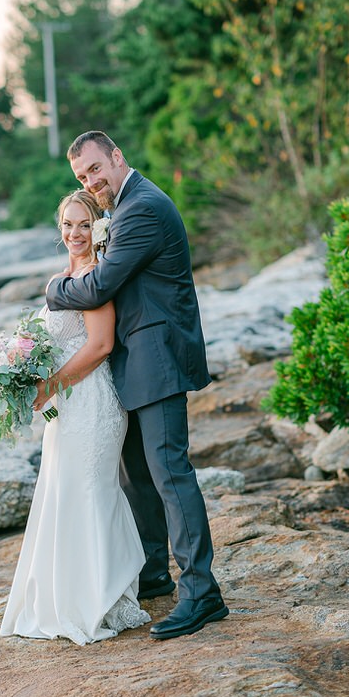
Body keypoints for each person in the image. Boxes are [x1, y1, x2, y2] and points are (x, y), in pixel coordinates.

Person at [46, 132, 229, 641]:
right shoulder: (121, 210)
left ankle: (202, 593)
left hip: (157, 358)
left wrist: (53, 289)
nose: (91, 181)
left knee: (170, 471)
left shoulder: (142, 208)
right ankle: (153, 574)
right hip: (132, 362)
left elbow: (99, 287)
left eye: (96, 169)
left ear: (117, 157)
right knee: (138, 476)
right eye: (82, 177)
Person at [0, 190, 151, 646]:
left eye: (84, 224)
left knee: (90, 490)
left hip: (94, 402)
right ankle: (65, 594)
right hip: (65, 407)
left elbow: (100, 345)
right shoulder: (61, 279)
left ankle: (102, 598)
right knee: (62, 493)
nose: (74, 234)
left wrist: (49, 386)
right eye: (67, 224)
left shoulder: (96, 279)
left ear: (99, 228)